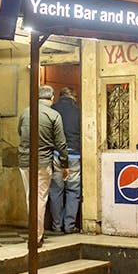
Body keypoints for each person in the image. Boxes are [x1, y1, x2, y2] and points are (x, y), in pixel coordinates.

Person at [18, 85, 69, 248]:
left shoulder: (26, 112)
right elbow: (61, 143)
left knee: (29, 197)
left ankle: (36, 231)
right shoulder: (54, 115)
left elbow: (20, 132)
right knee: (40, 198)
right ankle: (36, 236)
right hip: (43, 162)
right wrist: (64, 164)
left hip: (25, 162)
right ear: (52, 98)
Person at [49, 86, 82, 234]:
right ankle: (69, 226)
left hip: (56, 154)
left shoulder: (52, 110)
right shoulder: (78, 111)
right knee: (73, 190)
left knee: (56, 190)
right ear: (73, 97)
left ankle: (56, 226)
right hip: (74, 155)